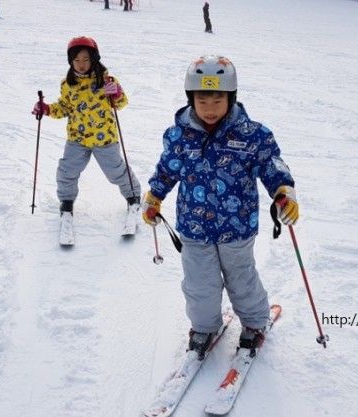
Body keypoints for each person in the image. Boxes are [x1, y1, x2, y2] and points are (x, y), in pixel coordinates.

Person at [141, 56, 299, 358]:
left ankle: (254, 322)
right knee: (199, 284)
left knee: (242, 279)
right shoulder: (178, 136)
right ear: (191, 98)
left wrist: (283, 190)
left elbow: (271, 163)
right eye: (202, 100)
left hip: (236, 228)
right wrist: (154, 196)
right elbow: (167, 169)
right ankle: (203, 326)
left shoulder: (252, 135)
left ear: (231, 98)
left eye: (218, 99)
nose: (210, 108)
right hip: (193, 228)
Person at [32, 36, 141, 227]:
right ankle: (66, 201)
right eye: (76, 60)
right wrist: (47, 109)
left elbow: (121, 104)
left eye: (86, 60)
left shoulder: (106, 80)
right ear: (70, 61)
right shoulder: (67, 84)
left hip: (105, 137)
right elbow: (65, 107)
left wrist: (117, 93)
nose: (81, 65)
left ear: (94, 59)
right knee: (67, 170)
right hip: (77, 138)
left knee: (116, 172)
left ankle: (133, 197)